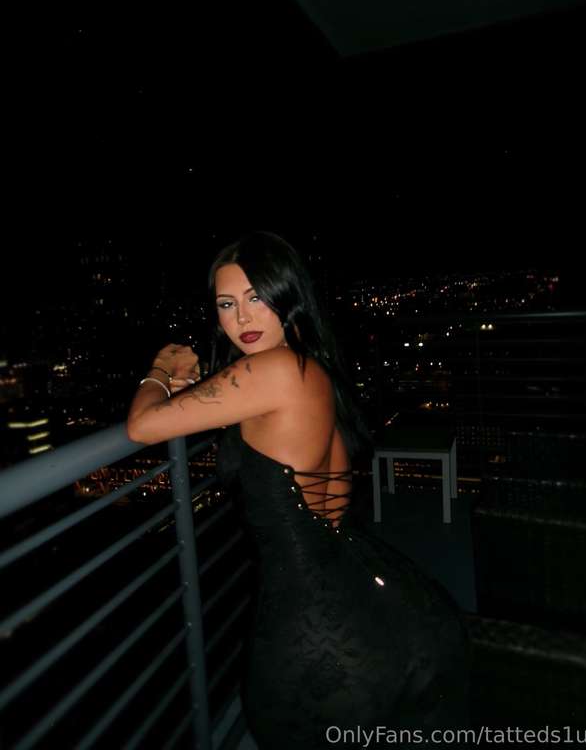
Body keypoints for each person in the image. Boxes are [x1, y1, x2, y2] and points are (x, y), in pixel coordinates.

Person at [127, 231, 471, 749]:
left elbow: (142, 426)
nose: (242, 318)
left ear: (287, 296)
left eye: (257, 298)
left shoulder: (273, 371)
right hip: (381, 599)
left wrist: (161, 368)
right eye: (227, 304)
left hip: (319, 633)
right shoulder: (309, 365)